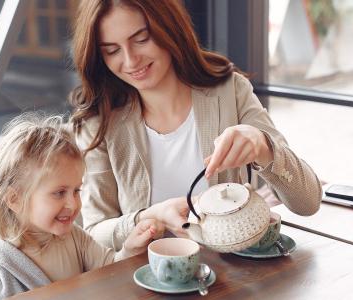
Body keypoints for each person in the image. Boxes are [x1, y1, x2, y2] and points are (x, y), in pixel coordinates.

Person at [69, 0, 322, 251]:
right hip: (150, 282)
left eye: (142, 39)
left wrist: (264, 147)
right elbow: (94, 235)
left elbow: (308, 202)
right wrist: (150, 216)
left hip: (238, 276)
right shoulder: (99, 124)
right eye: (112, 50)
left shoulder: (230, 92)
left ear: (169, 29)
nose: (131, 60)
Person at [0, 113, 163, 300]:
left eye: (76, 190)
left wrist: (129, 250)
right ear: (14, 199)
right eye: (59, 193)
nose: (73, 203)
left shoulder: (75, 238)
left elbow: (109, 272)